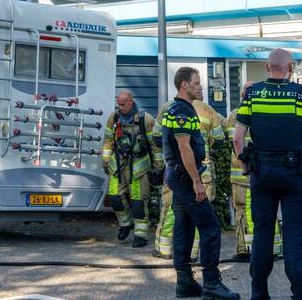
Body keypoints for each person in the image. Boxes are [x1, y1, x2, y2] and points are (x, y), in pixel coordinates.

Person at [233, 48, 302, 300]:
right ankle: (300, 294)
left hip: (262, 174)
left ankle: (259, 294)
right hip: (295, 175)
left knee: (262, 236)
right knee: (295, 240)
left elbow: (237, 138)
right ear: (290, 69)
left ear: (267, 67)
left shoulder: (252, 94)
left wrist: (246, 167)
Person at [161, 66, 239, 299]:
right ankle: (212, 283)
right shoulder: (181, 111)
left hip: (179, 176)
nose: (200, 86)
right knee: (210, 228)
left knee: (184, 227)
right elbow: (184, 148)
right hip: (185, 178)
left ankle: (184, 282)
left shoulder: (179, 108)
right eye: (196, 83)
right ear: (184, 84)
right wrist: (197, 182)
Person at [153, 95, 226, 260]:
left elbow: (157, 137)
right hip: (202, 172)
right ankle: (192, 254)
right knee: (199, 214)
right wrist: (205, 152)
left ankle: (164, 249)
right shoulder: (208, 110)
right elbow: (219, 140)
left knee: (170, 209)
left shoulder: (168, 107)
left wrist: (170, 151)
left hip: (176, 170)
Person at [225, 104, 282, 262]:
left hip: (242, 175)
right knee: (269, 210)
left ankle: (247, 250)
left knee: (244, 211)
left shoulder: (236, 114)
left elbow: (234, 141)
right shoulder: (269, 110)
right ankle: (274, 248)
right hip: (266, 171)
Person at [101, 89, 158, 247]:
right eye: (118, 104)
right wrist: (106, 160)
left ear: (131, 102)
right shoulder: (114, 118)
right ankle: (125, 223)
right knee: (114, 197)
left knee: (138, 202)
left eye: (123, 105)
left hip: (138, 167)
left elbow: (155, 146)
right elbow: (108, 141)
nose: (120, 108)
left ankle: (141, 235)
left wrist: (158, 167)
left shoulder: (145, 119)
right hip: (117, 165)